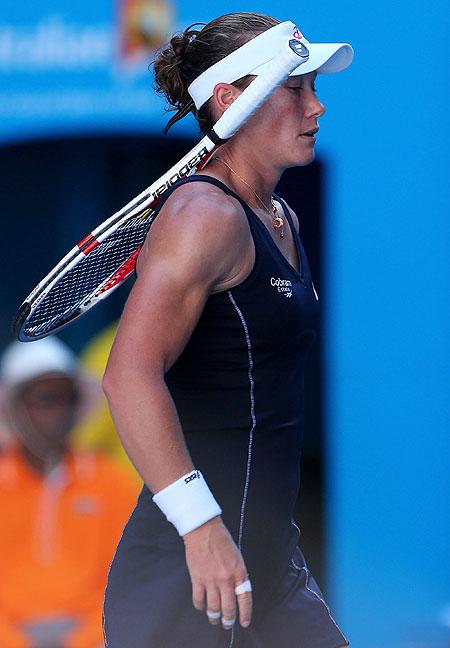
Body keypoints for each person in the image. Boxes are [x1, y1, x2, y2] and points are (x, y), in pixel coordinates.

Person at [103, 12, 353, 648]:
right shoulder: (201, 215)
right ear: (229, 98)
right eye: (295, 88)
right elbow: (128, 376)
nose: (317, 107)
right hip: (192, 577)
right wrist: (202, 529)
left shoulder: (280, 215)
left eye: (313, 88)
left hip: (271, 565)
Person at [0, 337, 139, 648]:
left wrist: (84, 640)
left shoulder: (111, 482)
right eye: (47, 398)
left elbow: (125, 579)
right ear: (16, 406)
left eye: (69, 398)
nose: (60, 410)